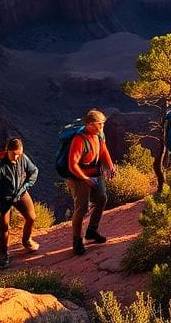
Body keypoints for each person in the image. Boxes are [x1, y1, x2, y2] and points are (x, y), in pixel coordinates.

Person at [68, 108, 116, 255]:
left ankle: (92, 231)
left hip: (96, 173)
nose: (102, 127)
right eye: (99, 124)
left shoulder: (99, 135)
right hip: (79, 177)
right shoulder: (79, 139)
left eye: (102, 124)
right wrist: (85, 178)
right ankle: (77, 240)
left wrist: (110, 166)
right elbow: (72, 164)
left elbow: (103, 150)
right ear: (89, 124)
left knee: (102, 198)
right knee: (81, 209)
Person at [0, 137, 39, 269]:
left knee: (31, 217)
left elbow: (34, 171)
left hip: (21, 193)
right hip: (3, 198)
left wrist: (27, 185)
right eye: (14, 154)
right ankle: (3, 255)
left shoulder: (23, 158)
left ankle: (26, 240)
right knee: (4, 227)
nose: (17, 158)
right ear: (7, 151)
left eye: (19, 154)